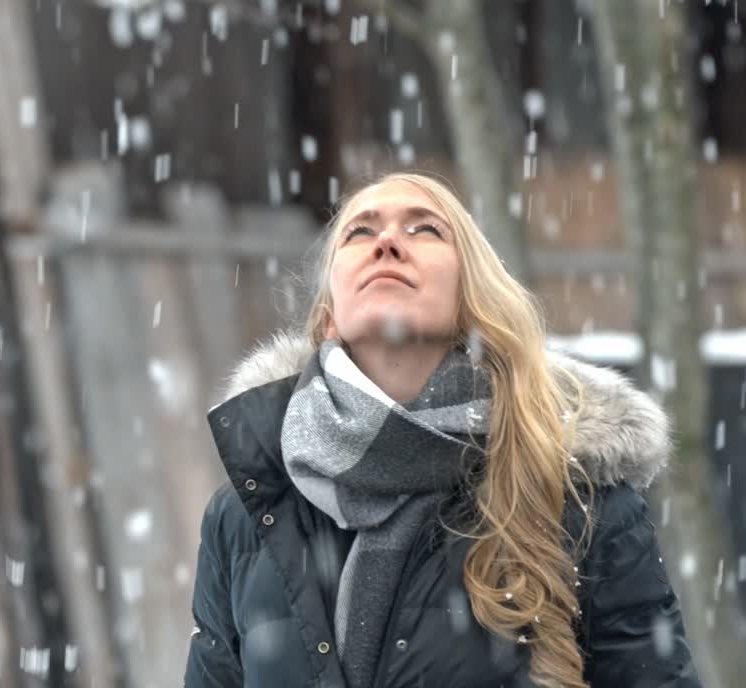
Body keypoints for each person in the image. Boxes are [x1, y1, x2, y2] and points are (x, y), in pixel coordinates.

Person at [184, 173, 702, 687]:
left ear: (471, 303)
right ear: (328, 321)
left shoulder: (582, 503)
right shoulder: (246, 514)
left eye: (424, 229)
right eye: (360, 232)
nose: (386, 241)